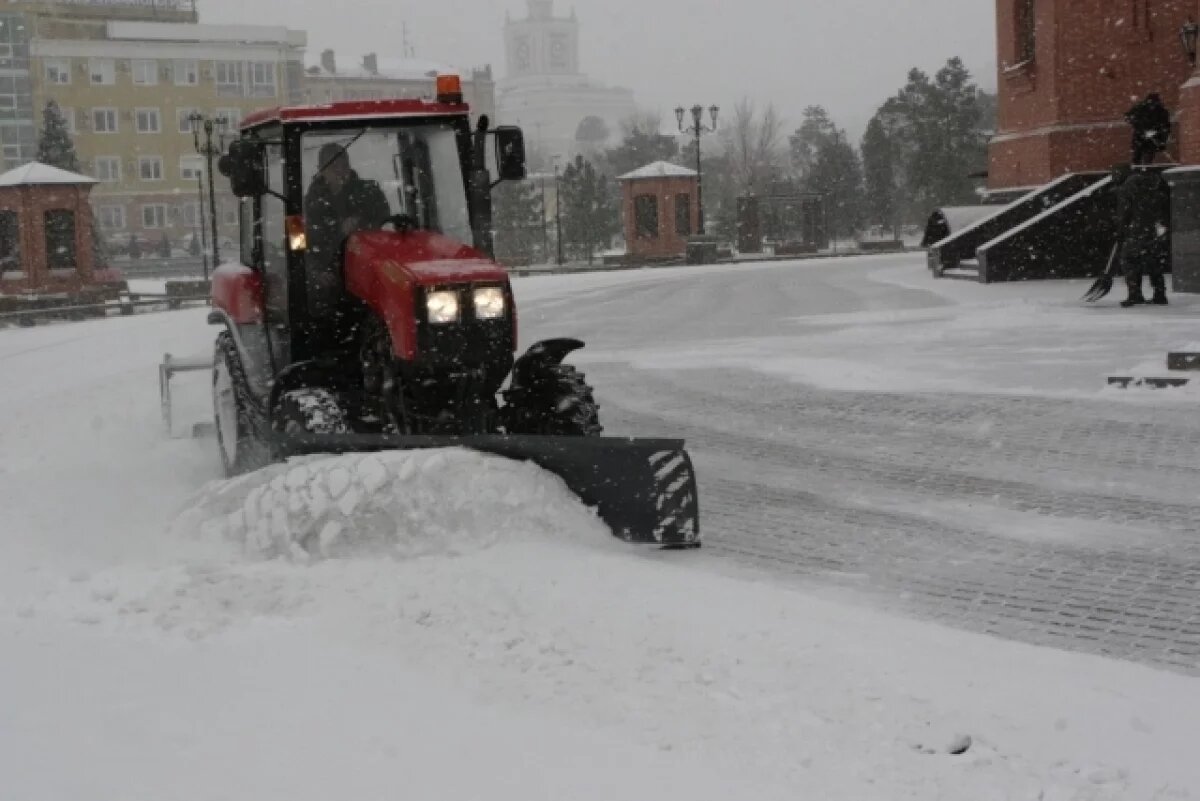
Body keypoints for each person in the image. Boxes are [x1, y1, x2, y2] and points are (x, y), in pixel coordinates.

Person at [303, 143, 391, 310]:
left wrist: (360, 225)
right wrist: (316, 272)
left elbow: (385, 223)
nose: (340, 171)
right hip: (328, 273)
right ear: (321, 170)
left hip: (366, 268)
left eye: (344, 165)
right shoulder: (308, 203)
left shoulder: (369, 192)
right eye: (333, 166)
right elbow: (300, 243)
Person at [1112, 164, 1171, 307]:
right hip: (1153, 229)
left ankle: (1135, 294)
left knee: (1129, 260)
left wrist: (1120, 230)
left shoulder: (1127, 188)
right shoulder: (1150, 184)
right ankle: (1160, 294)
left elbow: (1124, 213)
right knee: (1153, 262)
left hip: (1135, 230)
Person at [1124, 93, 1172, 165]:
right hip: (1139, 137)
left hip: (1153, 139)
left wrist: (1162, 142)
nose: (1152, 106)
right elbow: (1128, 117)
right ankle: (1136, 169)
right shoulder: (1140, 108)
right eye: (1150, 104)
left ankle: (1146, 168)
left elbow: (1165, 127)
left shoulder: (1162, 112)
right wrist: (1137, 124)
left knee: (1149, 156)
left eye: (1154, 104)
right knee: (1136, 156)